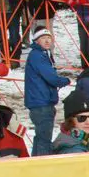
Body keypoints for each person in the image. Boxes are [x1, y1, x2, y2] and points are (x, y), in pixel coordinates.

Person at [24, 28, 70, 156]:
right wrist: (64, 81)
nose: (47, 40)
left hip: (40, 102)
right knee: (44, 140)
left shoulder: (41, 55)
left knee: (40, 139)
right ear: (36, 41)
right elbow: (51, 77)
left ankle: (35, 164)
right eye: (43, 38)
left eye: (49, 37)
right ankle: (43, 166)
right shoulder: (38, 56)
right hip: (41, 103)